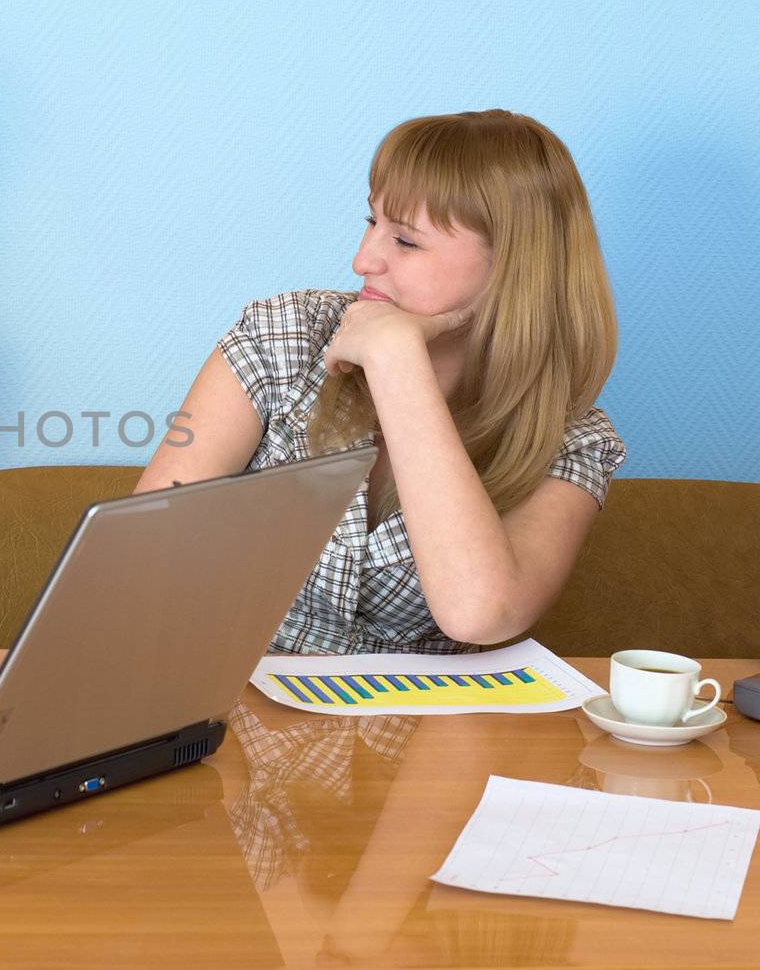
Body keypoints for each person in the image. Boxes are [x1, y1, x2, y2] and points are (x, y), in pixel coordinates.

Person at [137, 109, 624, 654]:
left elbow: (480, 615)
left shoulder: (574, 441)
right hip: (234, 700)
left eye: (407, 242)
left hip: (426, 732)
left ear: (512, 269)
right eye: (372, 223)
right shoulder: (287, 336)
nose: (363, 259)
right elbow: (142, 554)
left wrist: (398, 361)